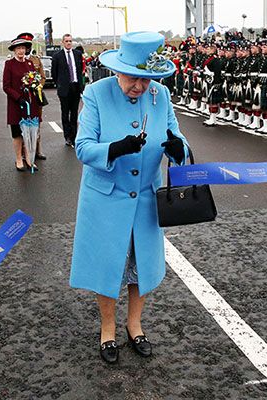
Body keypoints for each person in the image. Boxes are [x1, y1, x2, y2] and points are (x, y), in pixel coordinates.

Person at [70, 31, 190, 364]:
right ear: (118, 69)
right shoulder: (95, 93)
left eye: (147, 79)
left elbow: (175, 134)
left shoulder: (161, 95)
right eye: (134, 78)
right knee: (109, 265)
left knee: (141, 266)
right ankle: (107, 328)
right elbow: (83, 147)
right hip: (106, 196)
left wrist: (179, 147)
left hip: (146, 198)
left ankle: (134, 324)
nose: (140, 86)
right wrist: (116, 148)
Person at [3, 33, 42, 171]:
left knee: (29, 132)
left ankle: (29, 159)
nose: (21, 51)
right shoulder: (9, 64)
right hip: (16, 104)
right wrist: (18, 97)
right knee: (17, 133)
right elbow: (6, 86)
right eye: (18, 48)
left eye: (23, 48)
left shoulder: (30, 63)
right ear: (14, 50)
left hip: (30, 104)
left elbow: (34, 81)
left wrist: (35, 88)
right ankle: (19, 159)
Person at [51, 34, 84, 148]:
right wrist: (60, 84)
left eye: (70, 41)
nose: (69, 43)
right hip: (64, 89)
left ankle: (74, 136)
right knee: (65, 114)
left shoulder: (77, 54)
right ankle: (67, 137)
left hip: (75, 87)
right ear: (63, 42)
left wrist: (81, 86)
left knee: (74, 113)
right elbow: (54, 73)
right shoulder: (57, 56)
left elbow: (80, 71)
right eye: (66, 41)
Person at [27, 49, 47, 160]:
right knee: (25, 124)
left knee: (37, 122)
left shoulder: (36, 59)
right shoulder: (20, 60)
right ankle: (24, 152)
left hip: (36, 96)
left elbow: (42, 77)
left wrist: (39, 86)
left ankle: (38, 149)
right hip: (24, 97)